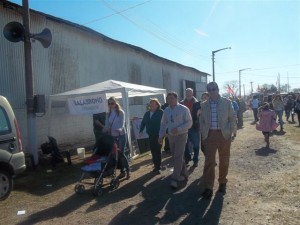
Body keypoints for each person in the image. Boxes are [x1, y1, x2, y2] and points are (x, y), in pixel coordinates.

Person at [199, 82, 235, 199]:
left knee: (224, 160)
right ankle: (208, 187)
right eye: (209, 89)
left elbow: (232, 117)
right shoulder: (204, 105)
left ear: (218, 89)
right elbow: (202, 120)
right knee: (209, 162)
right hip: (209, 136)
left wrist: (232, 131)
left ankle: (222, 182)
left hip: (224, 135)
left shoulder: (227, 102)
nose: (212, 91)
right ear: (207, 91)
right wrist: (204, 132)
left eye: (214, 89)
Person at [158, 92, 192, 189]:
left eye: (172, 98)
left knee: (178, 156)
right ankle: (185, 173)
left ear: (176, 99)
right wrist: (160, 136)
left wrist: (179, 128)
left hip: (181, 135)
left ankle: (175, 179)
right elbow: (163, 124)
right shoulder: (166, 111)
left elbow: (190, 122)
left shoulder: (184, 109)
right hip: (171, 136)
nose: (170, 100)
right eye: (168, 98)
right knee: (176, 156)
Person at [103, 97, 130, 178]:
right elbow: (107, 124)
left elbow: (122, 123)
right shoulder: (108, 114)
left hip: (121, 135)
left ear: (115, 103)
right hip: (113, 136)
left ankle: (127, 170)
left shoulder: (121, 112)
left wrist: (120, 129)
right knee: (115, 154)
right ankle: (122, 171)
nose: (111, 105)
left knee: (121, 154)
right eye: (109, 103)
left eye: (112, 103)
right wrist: (105, 129)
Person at [139, 98, 164, 174]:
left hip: (159, 134)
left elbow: (165, 122)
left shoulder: (161, 112)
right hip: (150, 135)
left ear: (157, 105)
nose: (152, 105)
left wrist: (165, 132)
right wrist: (141, 130)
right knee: (153, 150)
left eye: (154, 103)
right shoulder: (147, 113)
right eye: (151, 103)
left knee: (157, 150)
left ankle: (158, 167)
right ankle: (156, 165)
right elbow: (143, 122)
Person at [180, 88, 199, 166]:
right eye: (187, 92)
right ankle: (187, 157)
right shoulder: (181, 102)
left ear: (192, 93)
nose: (188, 93)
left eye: (189, 92)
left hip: (194, 126)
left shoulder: (197, 103)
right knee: (185, 143)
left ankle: (195, 159)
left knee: (196, 144)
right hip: (184, 126)